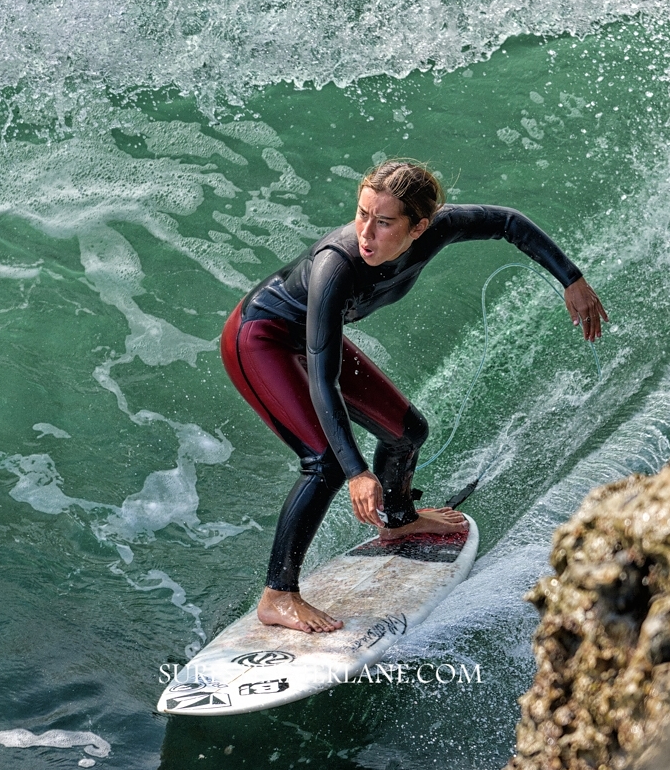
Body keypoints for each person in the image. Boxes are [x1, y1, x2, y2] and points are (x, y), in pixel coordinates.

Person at [220, 159, 607, 633]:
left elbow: (507, 222)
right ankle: (278, 595)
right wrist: (358, 472)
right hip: (261, 340)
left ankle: (399, 520)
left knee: (407, 432)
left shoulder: (439, 229)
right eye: (362, 214)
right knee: (323, 463)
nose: (366, 233)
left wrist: (572, 278)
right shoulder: (335, 265)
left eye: (384, 222)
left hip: (312, 339)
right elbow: (325, 381)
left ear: (419, 227)